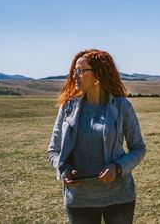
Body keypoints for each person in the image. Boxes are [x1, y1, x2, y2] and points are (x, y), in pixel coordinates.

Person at [47, 49, 146, 224]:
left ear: (98, 75)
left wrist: (117, 167)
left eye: (81, 70)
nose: (75, 75)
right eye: (74, 71)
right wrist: (64, 170)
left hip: (119, 198)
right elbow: (53, 151)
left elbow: (138, 148)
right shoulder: (68, 107)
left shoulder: (122, 107)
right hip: (79, 200)